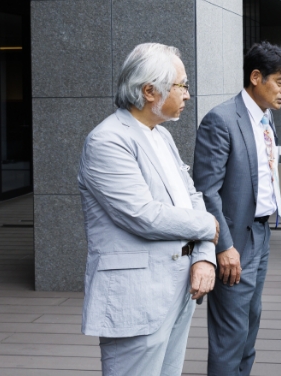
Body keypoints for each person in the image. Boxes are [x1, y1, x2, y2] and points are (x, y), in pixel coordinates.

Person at [78, 43, 220, 376]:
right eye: (182, 85)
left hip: (179, 286)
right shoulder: (107, 141)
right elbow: (142, 215)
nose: (188, 94)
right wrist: (209, 225)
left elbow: (192, 198)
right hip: (137, 296)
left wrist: (203, 256)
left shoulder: (162, 136)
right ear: (150, 91)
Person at [193, 41, 281, 376]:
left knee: (250, 325)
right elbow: (206, 192)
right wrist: (223, 247)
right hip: (234, 239)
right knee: (230, 333)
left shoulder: (266, 120)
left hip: (262, 234)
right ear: (256, 77)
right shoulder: (220, 120)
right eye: (279, 82)